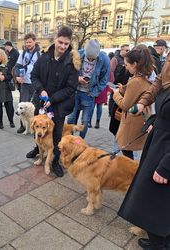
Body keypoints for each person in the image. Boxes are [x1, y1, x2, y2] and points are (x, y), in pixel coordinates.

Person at [118, 54, 170, 250]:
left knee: (156, 199)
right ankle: (161, 240)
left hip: (167, 151)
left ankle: (160, 245)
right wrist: (144, 102)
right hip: (161, 138)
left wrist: (166, 167)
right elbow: (159, 81)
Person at [29, 25, 80, 177]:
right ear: (55, 40)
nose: (63, 46)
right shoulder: (44, 56)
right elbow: (34, 76)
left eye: (66, 43)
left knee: (57, 134)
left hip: (59, 106)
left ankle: (56, 160)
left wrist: (53, 99)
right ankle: (38, 149)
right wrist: (41, 90)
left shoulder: (72, 62)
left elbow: (71, 88)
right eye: (60, 42)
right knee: (38, 128)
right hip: (43, 104)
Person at [112, 47, 153, 160]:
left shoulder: (136, 81)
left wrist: (116, 94)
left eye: (127, 64)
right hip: (139, 119)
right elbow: (138, 93)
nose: (126, 67)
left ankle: (130, 171)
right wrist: (124, 89)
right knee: (128, 149)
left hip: (132, 120)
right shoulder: (142, 77)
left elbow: (125, 105)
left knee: (126, 148)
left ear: (134, 64)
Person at [67, 39, 110, 138]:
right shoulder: (78, 54)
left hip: (89, 94)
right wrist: (77, 78)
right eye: (88, 58)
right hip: (75, 92)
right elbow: (69, 72)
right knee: (70, 118)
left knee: (85, 121)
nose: (90, 60)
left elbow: (104, 80)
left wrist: (94, 93)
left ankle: (80, 142)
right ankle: (69, 140)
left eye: (93, 58)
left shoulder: (104, 60)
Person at [14, 33, 40, 134]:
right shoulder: (23, 53)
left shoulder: (39, 54)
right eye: (26, 42)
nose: (28, 44)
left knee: (34, 106)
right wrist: (17, 76)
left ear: (34, 41)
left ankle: (35, 127)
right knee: (22, 104)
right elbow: (17, 66)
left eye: (30, 42)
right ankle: (23, 126)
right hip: (24, 83)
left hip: (34, 83)